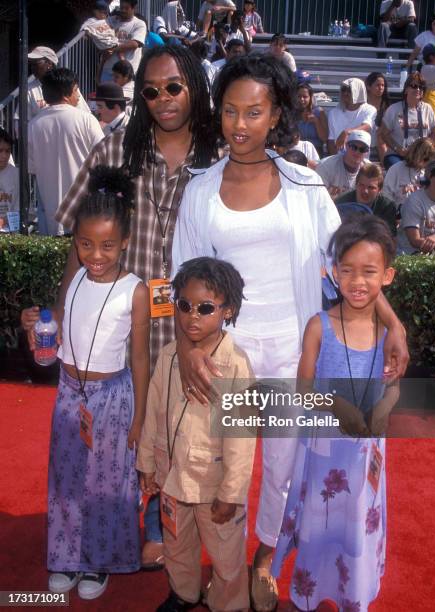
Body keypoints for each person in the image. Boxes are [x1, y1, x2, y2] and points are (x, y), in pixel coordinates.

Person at [172, 53, 409, 612]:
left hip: (290, 352)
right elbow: (180, 279)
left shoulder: (304, 186)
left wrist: (392, 324)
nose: (239, 124)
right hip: (224, 356)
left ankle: (265, 557)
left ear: (275, 112)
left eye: (253, 111)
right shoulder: (200, 190)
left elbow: (349, 264)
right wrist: (187, 348)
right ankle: (225, 568)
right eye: (230, 111)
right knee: (214, 464)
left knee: (280, 466)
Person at [54, 45, 217, 571]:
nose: (163, 99)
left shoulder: (219, 161)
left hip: (192, 329)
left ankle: (157, 527)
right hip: (119, 334)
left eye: (174, 86)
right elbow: (76, 243)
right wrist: (62, 322)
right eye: (150, 90)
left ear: (194, 85)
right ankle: (112, 528)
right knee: (117, 439)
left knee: (184, 441)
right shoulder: (114, 150)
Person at [21, 166, 150, 599]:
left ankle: (100, 562)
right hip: (68, 393)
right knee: (66, 479)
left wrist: (140, 419)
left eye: (108, 245)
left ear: (126, 243)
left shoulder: (134, 290)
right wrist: (38, 326)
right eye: (86, 244)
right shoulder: (75, 277)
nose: (96, 254)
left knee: (108, 484)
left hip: (112, 398)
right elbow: (59, 322)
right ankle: (67, 557)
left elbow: (140, 356)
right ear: (75, 243)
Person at [272, 215, 400, 612]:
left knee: (355, 527)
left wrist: (385, 406)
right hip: (324, 450)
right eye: (347, 271)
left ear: (388, 276)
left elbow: (394, 386)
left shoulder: (386, 337)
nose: (358, 282)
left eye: (369, 272)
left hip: (365, 456)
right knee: (319, 522)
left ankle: (353, 595)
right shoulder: (319, 327)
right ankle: (309, 593)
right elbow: (304, 390)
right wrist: (335, 404)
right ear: (332, 273)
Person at [137, 256, 256, 612]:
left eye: (205, 308)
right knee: (176, 545)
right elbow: (153, 413)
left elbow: (241, 436)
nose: (192, 316)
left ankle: (229, 603)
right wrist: (146, 464)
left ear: (228, 311)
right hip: (171, 478)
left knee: (226, 554)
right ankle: (184, 593)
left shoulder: (236, 366)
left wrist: (232, 492)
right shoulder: (170, 356)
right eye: (185, 305)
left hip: (213, 483)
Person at [28, 68, 104, 235]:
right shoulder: (87, 120)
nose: (78, 95)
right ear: (66, 93)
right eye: (76, 89)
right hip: (83, 212)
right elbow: (103, 161)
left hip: (50, 217)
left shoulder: (34, 125)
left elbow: (32, 168)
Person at [378, 72, 435, 169]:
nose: (418, 89)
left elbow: (433, 133)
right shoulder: (394, 109)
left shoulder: (428, 108)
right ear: (406, 90)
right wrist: (398, 149)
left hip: (421, 155)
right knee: (397, 167)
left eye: (421, 87)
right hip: (398, 154)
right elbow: (383, 134)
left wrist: (427, 151)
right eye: (414, 86)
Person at [16, 46, 90, 122]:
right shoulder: (28, 89)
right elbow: (20, 120)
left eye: (36, 63)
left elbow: (84, 113)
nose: (32, 67)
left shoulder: (67, 84)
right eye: (31, 64)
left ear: (49, 64)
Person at [334, 163, 397, 235]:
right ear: (356, 185)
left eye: (371, 187)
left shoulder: (387, 207)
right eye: (361, 185)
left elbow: (390, 238)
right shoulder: (341, 203)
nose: (365, 191)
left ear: (379, 190)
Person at [382, 136, 435, 212]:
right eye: (425, 159)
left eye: (429, 159)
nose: (426, 162)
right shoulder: (396, 169)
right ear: (415, 154)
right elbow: (386, 196)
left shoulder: (430, 172)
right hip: (398, 213)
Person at [100, 0, 147, 83]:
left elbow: (134, 44)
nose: (123, 10)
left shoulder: (139, 24)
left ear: (134, 8)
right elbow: (100, 36)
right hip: (108, 72)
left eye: (126, 8)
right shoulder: (111, 20)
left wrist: (113, 48)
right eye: (121, 7)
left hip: (126, 76)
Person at [327, 78, 376, 154]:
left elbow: (367, 126)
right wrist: (334, 160)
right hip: (338, 159)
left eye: (349, 90)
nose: (345, 93)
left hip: (360, 158)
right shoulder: (333, 113)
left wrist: (347, 132)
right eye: (343, 90)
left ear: (358, 91)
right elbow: (331, 140)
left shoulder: (369, 109)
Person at [317, 130, 371, 198]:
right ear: (346, 146)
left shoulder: (370, 170)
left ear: (367, 152)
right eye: (353, 147)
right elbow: (317, 197)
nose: (357, 152)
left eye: (362, 149)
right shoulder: (325, 166)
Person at [297, 81, 328, 156]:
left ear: (311, 97)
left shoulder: (319, 112)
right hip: (298, 151)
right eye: (299, 96)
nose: (302, 99)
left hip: (315, 151)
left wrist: (316, 122)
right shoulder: (292, 113)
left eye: (305, 96)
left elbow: (324, 138)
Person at [365, 72, 389, 162]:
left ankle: (384, 164)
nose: (381, 88)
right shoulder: (363, 102)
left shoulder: (386, 104)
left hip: (381, 137)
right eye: (377, 85)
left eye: (383, 85)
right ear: (368, 86)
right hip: (367, 134)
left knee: (380, 134)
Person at [0, 128, 19, 232]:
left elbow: (21, 209)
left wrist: (5, 220)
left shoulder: (16, 175)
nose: (4, 156)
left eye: (7, 151)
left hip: (10, 233)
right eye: (0, 151)